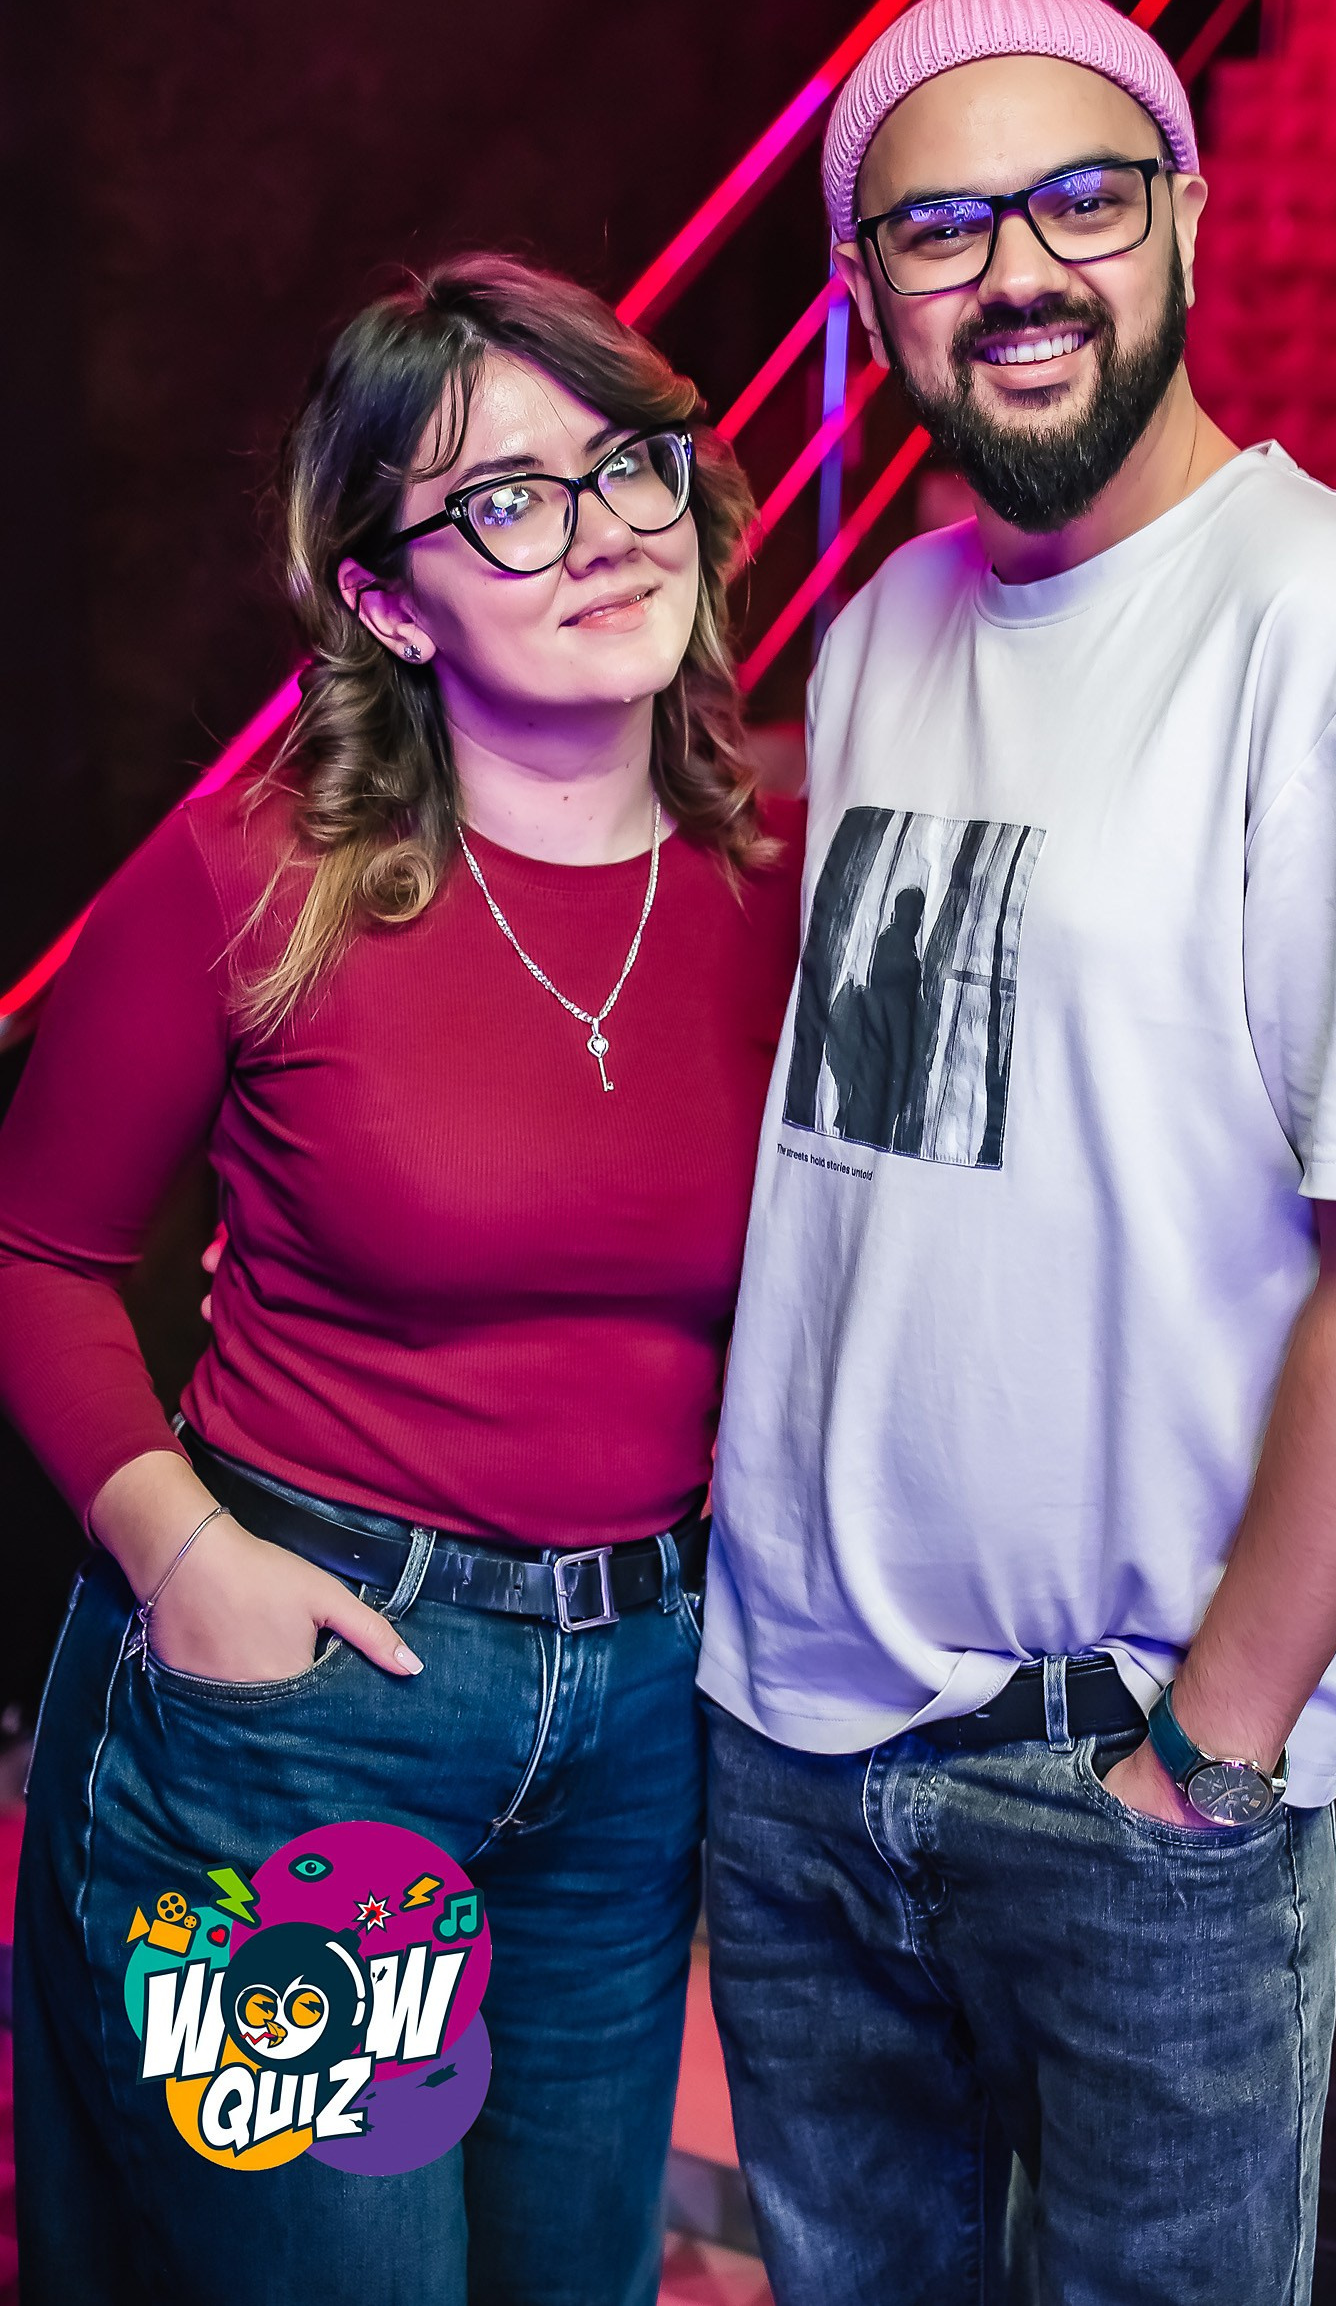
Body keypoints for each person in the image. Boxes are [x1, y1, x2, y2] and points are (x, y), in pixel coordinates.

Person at [697, 0, 1336, 2306]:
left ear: (1183, 214)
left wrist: (1209, 1758)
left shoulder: (1330, 627)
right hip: (800, 1744)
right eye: (941, 227)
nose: (1019, 271)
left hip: (1124, 1786)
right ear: (869, 291)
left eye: (1079, 198)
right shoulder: (885, 629)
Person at [0, 254, 802, 2306]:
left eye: (625, 464)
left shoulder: (779, 874)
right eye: (505, 499)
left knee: (570, 2279)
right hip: (316, 1703)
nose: (603, 529)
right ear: (386, 601)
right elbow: (32, 1250)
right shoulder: (251, 879)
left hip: (636, 1713)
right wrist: (188, 1559)